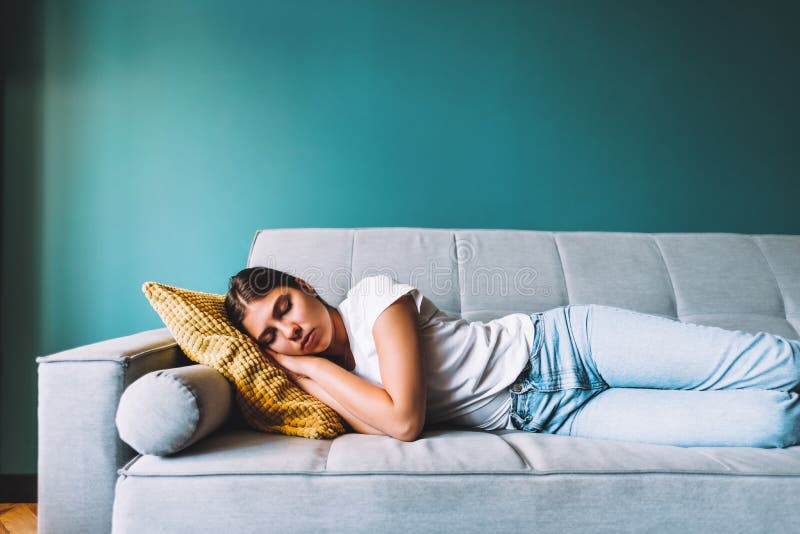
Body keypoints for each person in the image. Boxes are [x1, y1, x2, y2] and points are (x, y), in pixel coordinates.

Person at [223, 266, 800, 447]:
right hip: (555, 418)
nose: (289, 332)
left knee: (782, 365)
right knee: (774, 423)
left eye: (284, 307)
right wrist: (317, 377)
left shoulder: (373, 299)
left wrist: (311, 369)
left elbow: (403, 421)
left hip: (568, 346)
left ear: (302, 286)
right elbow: (390, 424)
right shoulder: (337, 386)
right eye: (270, 338)